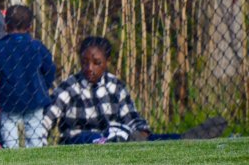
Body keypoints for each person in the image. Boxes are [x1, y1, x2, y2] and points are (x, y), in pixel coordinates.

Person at [43, 36, 227, 145]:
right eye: (84, 62)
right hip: (80, 139)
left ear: (107, 62)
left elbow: (130, 115)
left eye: (96, 63)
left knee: (148, 138)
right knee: (92, 137)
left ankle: (183, 139)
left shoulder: (115, 86)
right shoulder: (69, 87)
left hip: (116, 134)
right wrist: (38, 141)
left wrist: (141, 130)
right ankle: (116, 142)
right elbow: (47, 119)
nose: (89, 68)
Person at [0, 5, 56, 148]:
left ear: (6, 26)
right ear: (30, 27)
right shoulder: (36, 46)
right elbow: (50, 68)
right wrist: (45, 85)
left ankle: (12, 155)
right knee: (35, 137)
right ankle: (35, 157)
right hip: (34, 98)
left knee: (10, 136)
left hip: (10, 100)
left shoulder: (0, 47)